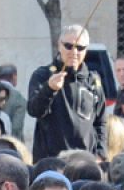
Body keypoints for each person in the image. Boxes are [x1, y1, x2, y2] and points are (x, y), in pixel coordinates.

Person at [26, 24, 107, 160]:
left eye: (80, 48)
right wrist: (49, 88)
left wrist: (101, 154)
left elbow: (100, 122)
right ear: (59, 45)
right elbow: (34, 110)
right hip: (52, 160)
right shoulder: (43, 75)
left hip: (85, 162)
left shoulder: (93, 80)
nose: (74, 52)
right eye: (68, 46)